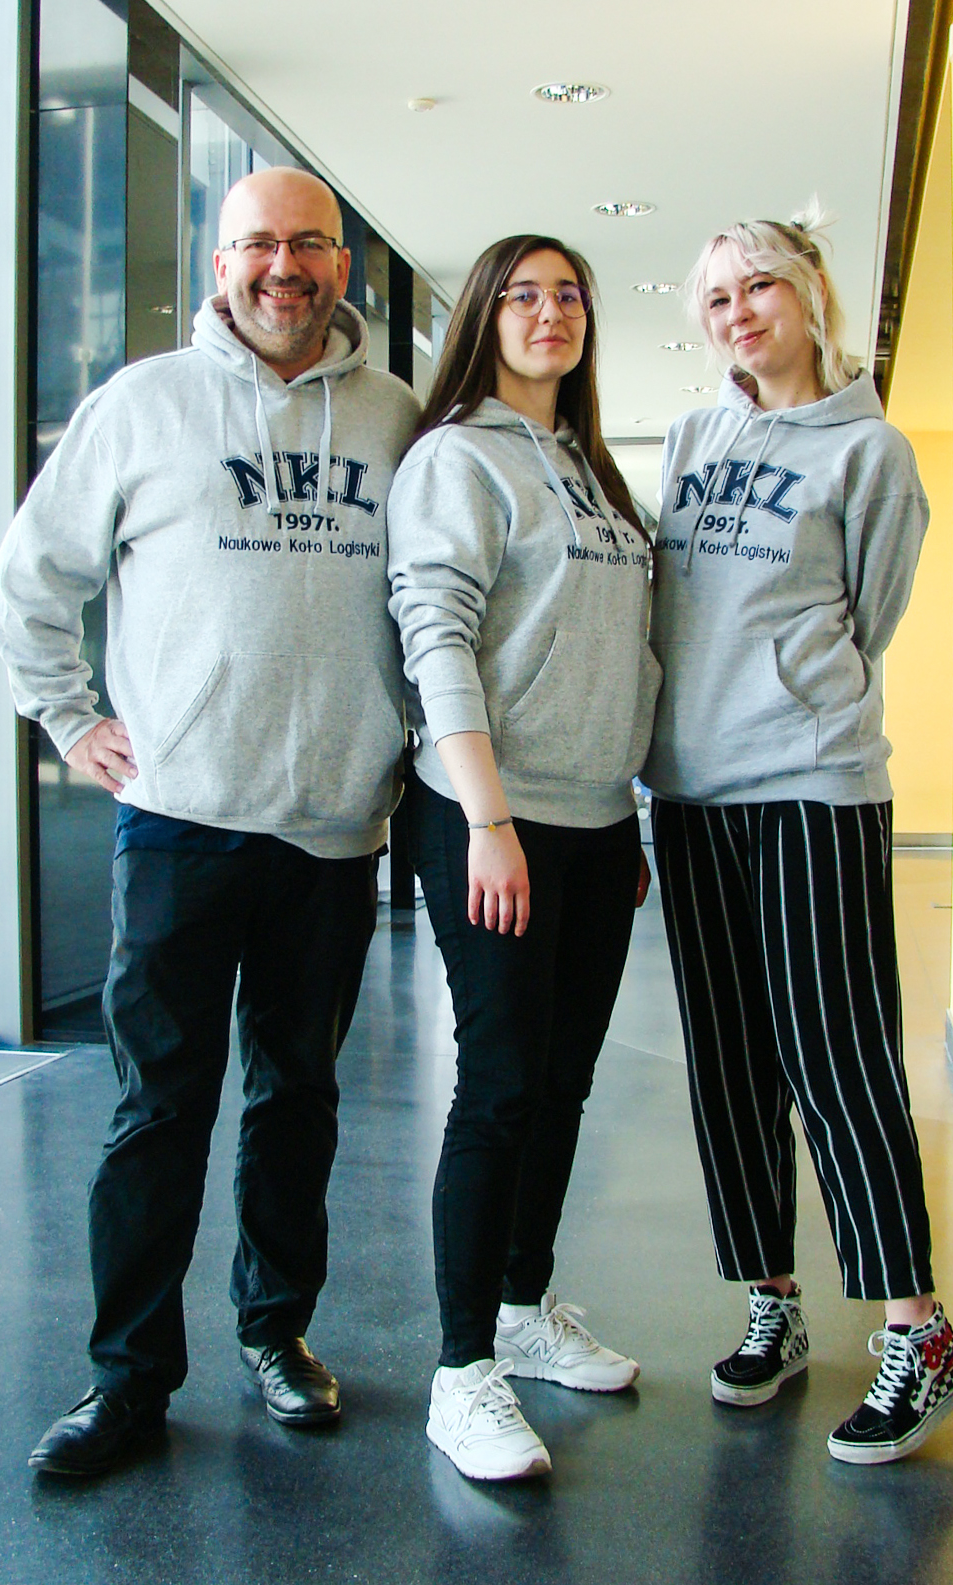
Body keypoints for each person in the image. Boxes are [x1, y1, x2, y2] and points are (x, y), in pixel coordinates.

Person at [0, 167, 419, 1477]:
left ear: (341, 263)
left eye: (309, 244)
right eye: (257, 245)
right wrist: (71, 720)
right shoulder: (143, 404)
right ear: (218, 262)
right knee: (158, 1111)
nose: (284, 266)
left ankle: (275, 1332)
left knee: (298, 1101)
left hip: (333, 830)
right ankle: (126, 1380)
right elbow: (31, 580)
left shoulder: (398, 418)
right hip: (179, 821)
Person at [643, 204, 953, 1466]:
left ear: (810, 294)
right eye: (717, 296)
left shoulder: (870, 452)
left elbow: (866, 616)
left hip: (810, 784)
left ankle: (916, 1328)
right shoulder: (690, 437)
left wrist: (784, 691)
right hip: (689, 792)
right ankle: (770, 1302)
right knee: (728, 1062)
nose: (738, 312)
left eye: (760, 286)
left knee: (836, 1056)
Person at [387, 234, 661, 1482]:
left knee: (561, 1082)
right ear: (483, 319)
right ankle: (460, 1373)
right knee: (498, 1083)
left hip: (596, 820)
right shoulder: (457, 457)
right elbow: (435, 634)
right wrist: (488, 820)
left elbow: (627, 652)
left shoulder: (596, 473)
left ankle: (518, 1308)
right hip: (489, 813)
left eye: (568, 295)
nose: (550, 312)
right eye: (523, 295)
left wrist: (627, 808)